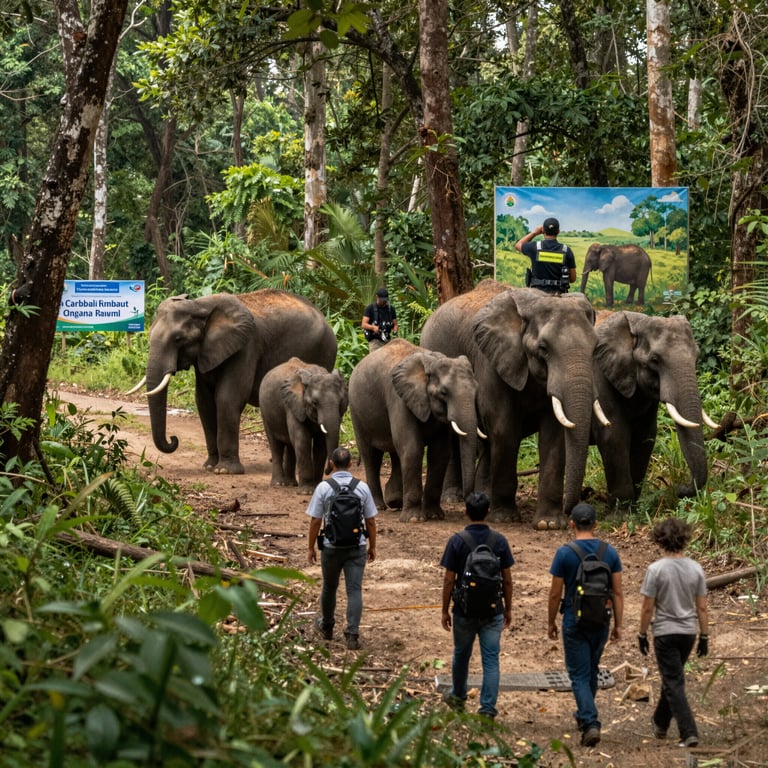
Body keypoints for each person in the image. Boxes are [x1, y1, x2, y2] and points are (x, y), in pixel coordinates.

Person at [547, 503, 623, 748]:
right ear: (596, 524)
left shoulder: (564, 553)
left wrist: (551, 622)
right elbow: (618, 592)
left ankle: (591, 722)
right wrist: (618, 625)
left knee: (578, 674)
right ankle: (583, 716)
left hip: (574, 619)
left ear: (572, 525)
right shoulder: (609, 553)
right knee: (591, 668)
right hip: (602, 619)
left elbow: (554, 593)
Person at [440, 491, 514, 718]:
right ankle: (487, 708)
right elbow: (508, 579)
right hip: (493, 610)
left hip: (464, 610)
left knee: (461, 654)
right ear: (488, 512)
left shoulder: (456, 541)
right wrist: (508, 608)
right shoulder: (499, 541)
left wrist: (444, 609)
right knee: (491, 660)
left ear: (466, 512)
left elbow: (449, 579)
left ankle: (458, 697)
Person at [638, 517, 709, 749]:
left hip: (665, 632)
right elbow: (701, 607)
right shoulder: (696, 569)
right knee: (673, 678)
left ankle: (688, 732)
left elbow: (648, 606)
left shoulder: (655, 569)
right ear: (684, 539)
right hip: (688, 633)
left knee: (673, 680)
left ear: (660, 539)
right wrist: (704, 636)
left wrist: (641, 633)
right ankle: (659, 722)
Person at [306, 446, 378, 650]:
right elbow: (371, 521)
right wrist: (372, 545)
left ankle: (327, 626)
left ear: (331, 464)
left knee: (329, 586)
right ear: (350, 463)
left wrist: (311, 547)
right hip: (357, 546)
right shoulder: (362, 487)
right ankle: (352, 634)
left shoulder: (323, 487)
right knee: (354, 590)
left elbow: (315, 521)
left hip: (331, 546)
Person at [515, 217, 577, 294]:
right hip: (559, 296)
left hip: (536, 295)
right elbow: (573, 279)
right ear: (558, 231)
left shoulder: (535, 247)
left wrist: (534, 232)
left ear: (543, 230)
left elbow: (518, 245)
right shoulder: (566, 250)